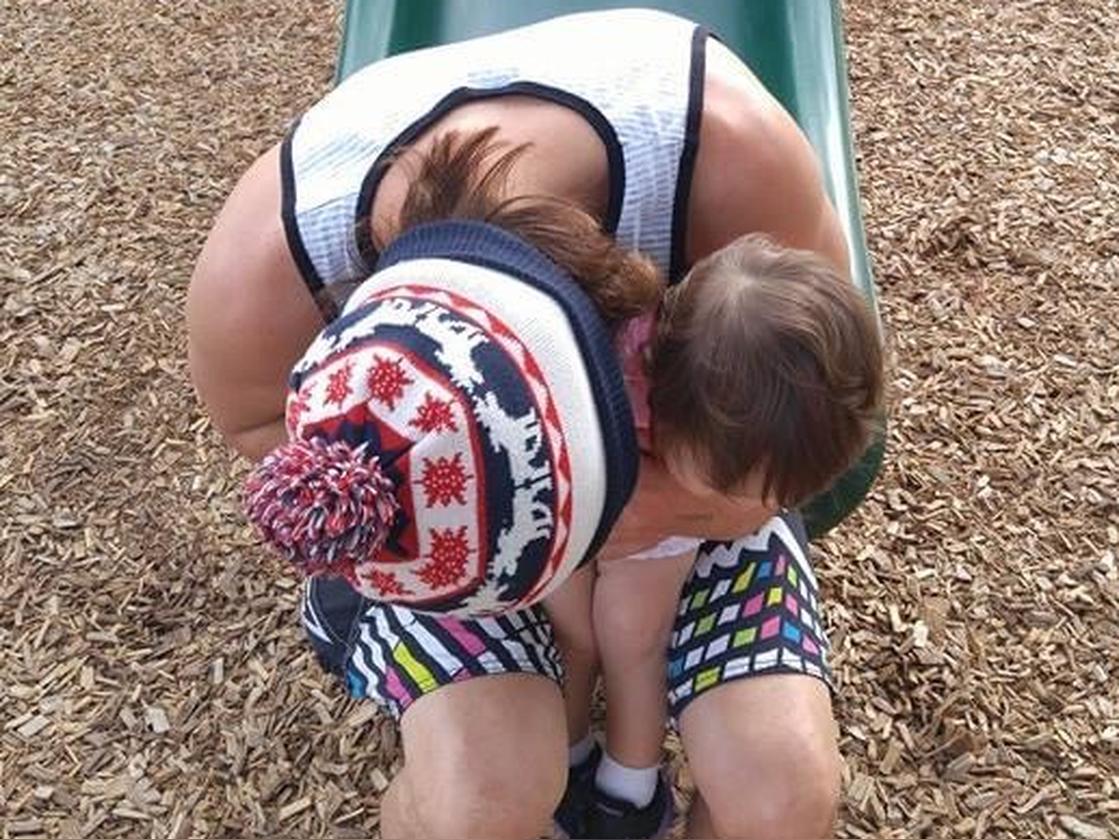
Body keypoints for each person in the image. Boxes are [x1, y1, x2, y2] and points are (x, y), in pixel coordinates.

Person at [187, 9, 883, 838]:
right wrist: (500, 522)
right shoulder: (272, 267)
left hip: (707, 470)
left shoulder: (729, 158)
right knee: (479, 808)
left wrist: (665, 506)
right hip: (438, 510)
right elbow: (261, 433)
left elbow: (812, 407)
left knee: (780, 799)